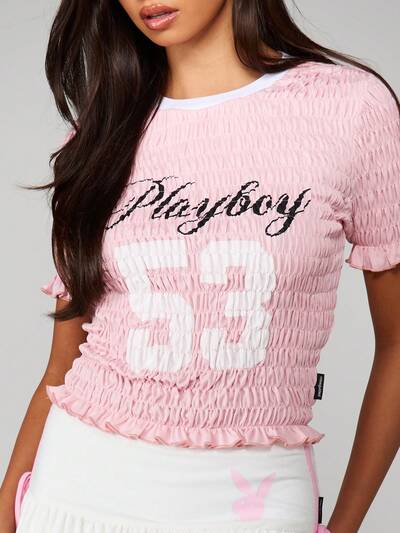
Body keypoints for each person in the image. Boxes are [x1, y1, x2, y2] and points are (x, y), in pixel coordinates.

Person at [1, 1, 399, 532]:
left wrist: (344, 526)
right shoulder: (100, 132)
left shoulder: (349, 108)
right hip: (73, 493)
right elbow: (61, 368)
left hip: (251, 502)